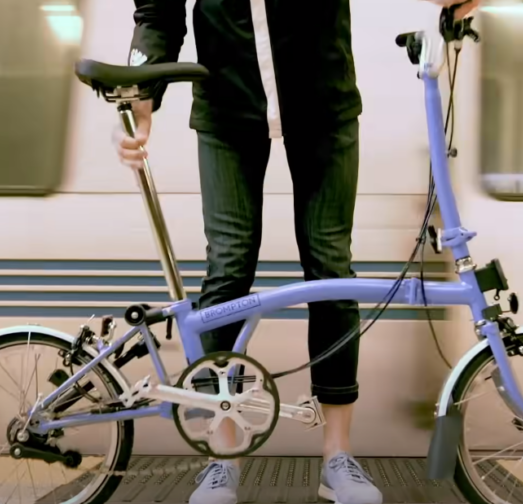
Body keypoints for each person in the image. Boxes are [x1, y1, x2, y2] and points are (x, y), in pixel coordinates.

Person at [114, 1, 480, 503]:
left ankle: (337, 458)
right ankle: (224, 455)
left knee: (330, 267)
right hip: (227, 105)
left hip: (322, 100)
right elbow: (159, 11)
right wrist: (137, 105)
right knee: (228, 269)